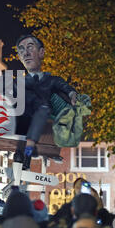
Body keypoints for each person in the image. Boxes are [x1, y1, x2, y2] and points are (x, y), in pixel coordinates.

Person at [13, 34, 77, 169]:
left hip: (43, 119)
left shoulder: (51, 80)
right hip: (22, 119)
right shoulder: (18, 83)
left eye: (30, 47)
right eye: (22, 50)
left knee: (41, 109)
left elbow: (65, 88)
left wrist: (72, 94)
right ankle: (21, 153)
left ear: (41, 53)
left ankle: (27, 154)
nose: (26, 53)